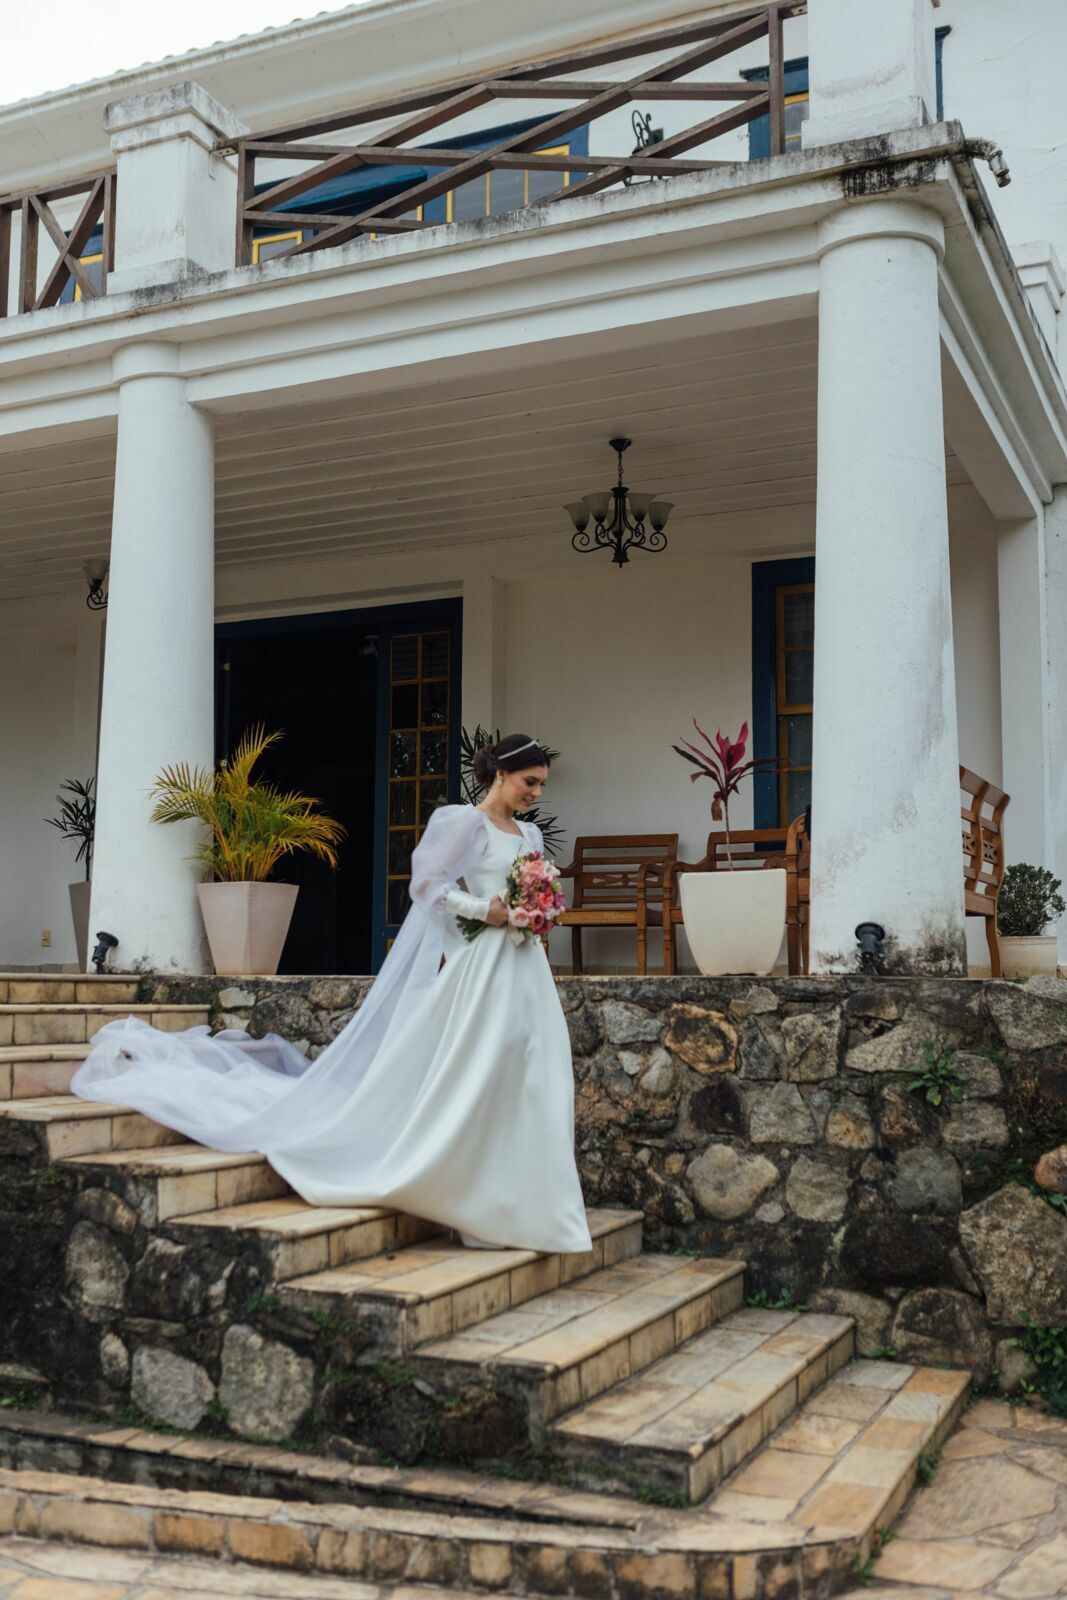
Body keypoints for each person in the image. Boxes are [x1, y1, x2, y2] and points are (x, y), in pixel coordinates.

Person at [72, 734, 591, 1255]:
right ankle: (472, 1196)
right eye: (530, 782)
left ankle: (524, 1202)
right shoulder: (463, 822)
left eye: (541, 785)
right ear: (501, 774)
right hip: (481, 971)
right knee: (476, 1076)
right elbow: (427, 887)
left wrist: (537, 911)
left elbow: (530, 887)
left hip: (524, 968)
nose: (536, 795)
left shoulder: (529, 834)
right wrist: (487, 911)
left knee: (531, 1076)